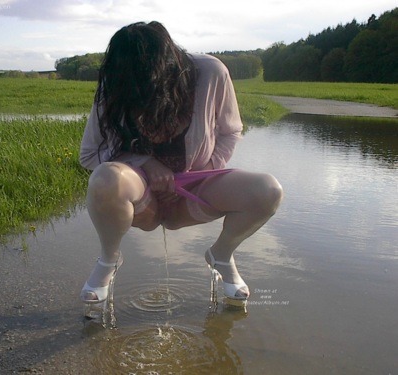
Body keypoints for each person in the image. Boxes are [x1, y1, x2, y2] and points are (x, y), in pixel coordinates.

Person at [79, 21, 283, 310]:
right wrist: (144, 163)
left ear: (167, 71)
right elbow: (89, 155)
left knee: (267, 190)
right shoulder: (115, 86)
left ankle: (221, 255)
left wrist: (201, 172)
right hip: (142, 194)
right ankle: (108, 260)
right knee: (104, 179)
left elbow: (230, 131)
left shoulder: (211, 73)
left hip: (194, 190)